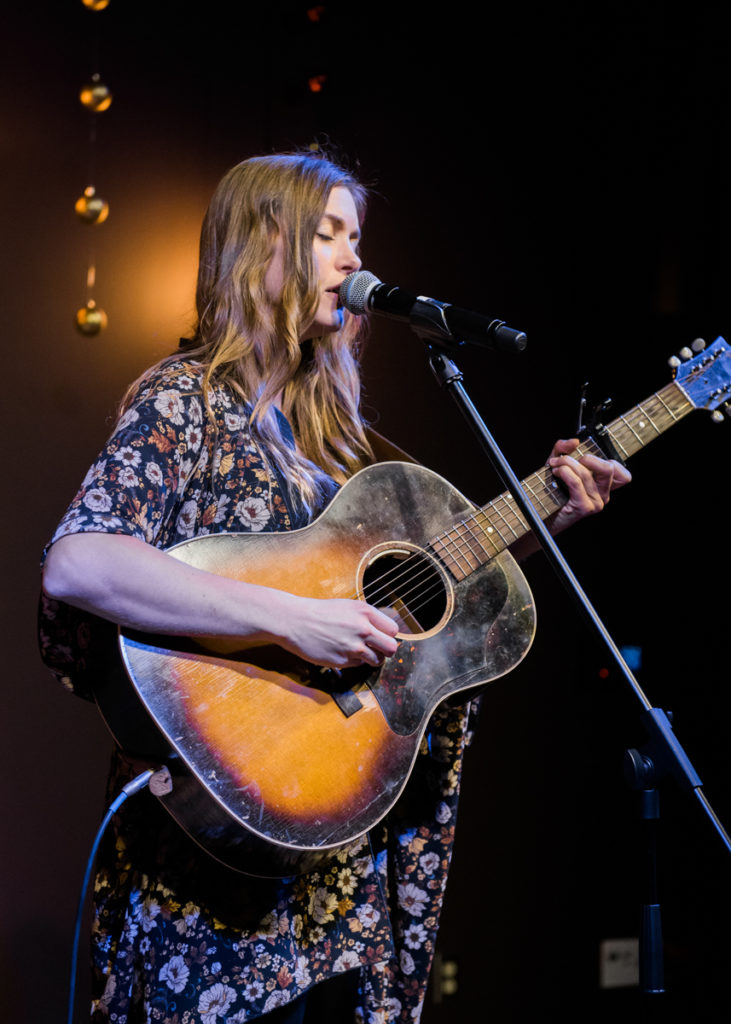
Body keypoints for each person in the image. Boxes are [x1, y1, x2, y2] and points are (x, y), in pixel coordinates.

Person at [39, 151, 630, 1024]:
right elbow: (80, 561)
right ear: (260, 247)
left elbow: (421, 591)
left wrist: (553, 511)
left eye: (357, 237)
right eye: (327, 235)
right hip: (213, 873)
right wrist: (296, 620)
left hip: (339, 870)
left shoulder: (338, 451)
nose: (354, 261)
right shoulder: (183, 402)